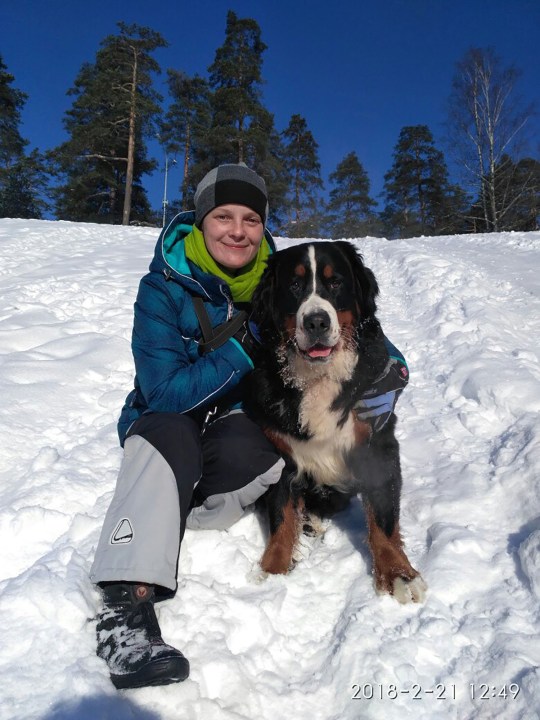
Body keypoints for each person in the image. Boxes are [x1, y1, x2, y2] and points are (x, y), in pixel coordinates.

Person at [90, 163, 409, 690]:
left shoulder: (279, 275)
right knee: (164, 428)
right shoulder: (162, 289)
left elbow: (357, 323)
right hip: (172, 424)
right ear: (198, 221)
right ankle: (126, 605)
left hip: (235, 429)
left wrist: (393, 368)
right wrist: (242, 346)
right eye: (222, 216)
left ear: (263, 226)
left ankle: (176, 510)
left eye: (250, 219)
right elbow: (164, 392)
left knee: (261, 451)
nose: (237, 230)